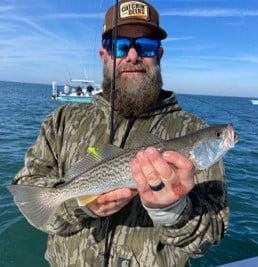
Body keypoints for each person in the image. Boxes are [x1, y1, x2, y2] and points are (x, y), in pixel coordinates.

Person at [11, 1, 229, 266]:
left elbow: (212, 234)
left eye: (145, 46)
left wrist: (173, 211)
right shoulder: (62, 121)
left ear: (159, 55)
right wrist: (79, 205)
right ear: (104, 55)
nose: (133, 56)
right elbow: (30, 198)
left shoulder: (192, 129)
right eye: (121, 46)